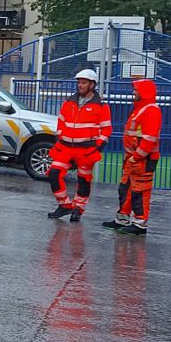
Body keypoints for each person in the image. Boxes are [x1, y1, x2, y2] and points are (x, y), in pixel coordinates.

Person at [47, 69, 112, 223]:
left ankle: (78, 209)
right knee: (54, 172)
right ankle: (64, 205)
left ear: (92, 85)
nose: (80, 85)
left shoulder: (101, 106)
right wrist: (60, 134)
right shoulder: (69, 102)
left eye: (83, 83)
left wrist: (97, 147)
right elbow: (61, 121)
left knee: (84, 180)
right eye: (79, 82)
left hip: (86, 150)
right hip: (66, 148)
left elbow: (106, 129)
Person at [105, 79, 161, 235]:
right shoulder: (141, 109)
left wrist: (136, 157)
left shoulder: (150, 110)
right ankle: (123, 218)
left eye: (136, 90)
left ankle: (140, 223)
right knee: (126, 188)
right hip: (134, 157)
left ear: (144, 92)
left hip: (142, 159)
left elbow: (149, 139)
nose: (133, 92)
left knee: (140, 191)